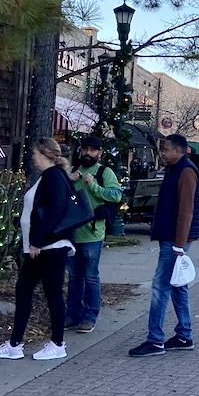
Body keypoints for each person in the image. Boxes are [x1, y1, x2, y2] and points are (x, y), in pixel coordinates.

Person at [0, 139, 75, 361]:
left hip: (49, 247)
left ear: (46, 154)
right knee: (24, 290)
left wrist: (37, 241)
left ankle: (57, 343)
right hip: (39, 247)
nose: (32, 157)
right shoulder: (50, 176)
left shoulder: (53, 176)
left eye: (35, 153)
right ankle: (14, 344)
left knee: (52, 293)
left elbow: (55, 209)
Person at [129, 134, 199, 357]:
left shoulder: (185, 171)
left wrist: (179, 245)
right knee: (178, 286)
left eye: (166, 149)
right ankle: (183, 335)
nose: (162, 152)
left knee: (160, 287)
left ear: (178, 151)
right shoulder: (175, 169)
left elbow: (186, 210)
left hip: (174, 240)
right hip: (172, 238)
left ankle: (155, 340)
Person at [65, 136, 123, 334]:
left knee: (90, 277)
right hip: (72, 233)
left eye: (92, 150)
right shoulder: (72, 172)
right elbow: (62, 198)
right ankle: (72, 314)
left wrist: (94, 186)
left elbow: (117, 195)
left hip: (93, 233)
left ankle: (89, 316)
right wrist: (68, 182)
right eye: (85, 149)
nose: (88, 153)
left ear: (99, 153)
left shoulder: (104, 172)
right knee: (74, 277)